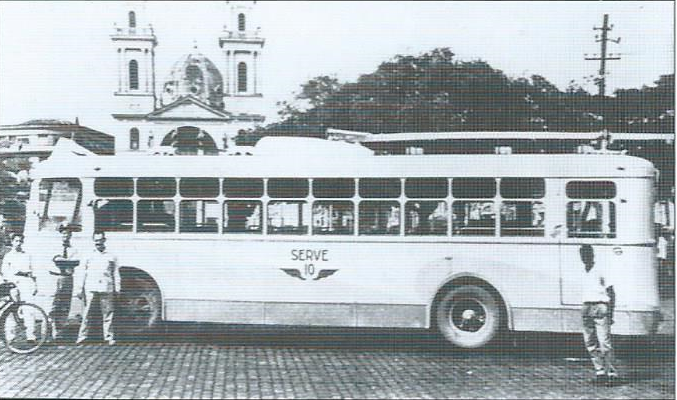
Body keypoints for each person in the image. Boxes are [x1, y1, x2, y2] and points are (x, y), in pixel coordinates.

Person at [579, 244, 619, 386]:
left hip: (600, 306)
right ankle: (600, 371)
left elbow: (611, 292)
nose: (585, 258)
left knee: (604, 342)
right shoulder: (582, 270)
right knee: (590, 342)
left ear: (592, 255)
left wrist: (611, 312)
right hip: (586, 307)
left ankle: (612, 373)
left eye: (587, 255)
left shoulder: (601, 269)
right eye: (582, 255)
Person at [76, 231, 120, 346]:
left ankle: (109, 336)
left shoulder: (111, 256)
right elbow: (82, 272)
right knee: (87, 313)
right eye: (96, 241)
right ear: (93, 241)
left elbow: (115, 273)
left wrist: (117, 288)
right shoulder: (88, 255)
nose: (98, 243)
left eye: (100, 241)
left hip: (106, 287)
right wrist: (79, 288)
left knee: (108, 313)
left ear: (104, 240)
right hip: (91, 287)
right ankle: (82, 336)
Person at [0, 233, 38, 342]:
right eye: (16, 241)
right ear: (12, 242)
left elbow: (32, 271)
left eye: (20, 241)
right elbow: (4, 272)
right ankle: (10, 336)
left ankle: (31, 335)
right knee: (11, 310)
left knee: (29, 308)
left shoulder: (27, 255)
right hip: (13, 283)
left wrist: (35, 285)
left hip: (26, 282)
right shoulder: (8, 256)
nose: (18, 243)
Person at [49, 224, 80, 343]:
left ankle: (60, 332)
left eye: (68, 233)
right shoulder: (54, 246)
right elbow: (57, 260)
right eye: (64, 233)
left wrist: (65, 261)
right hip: (56, 277)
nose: (66, 235)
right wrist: (68, 262)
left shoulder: (74, 249)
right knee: (54, 304)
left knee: (65, 304)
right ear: (60, 234)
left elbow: (77, 262)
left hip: (68, 278)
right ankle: (51, 330)